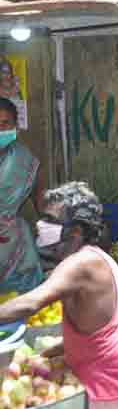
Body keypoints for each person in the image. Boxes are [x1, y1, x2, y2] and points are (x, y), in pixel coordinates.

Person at [0, 182, 118, 409]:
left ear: (74, 232)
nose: (40, 226)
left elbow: (33, 302)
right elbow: (94, 328)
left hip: (116, 381)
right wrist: (52, 353)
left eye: (50, 221)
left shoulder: (81, 264)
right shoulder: (90, 259)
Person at [0, 97, 44, 295]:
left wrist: (53, 227)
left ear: (15, 128)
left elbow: (41, 202)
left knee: (23, 303)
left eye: (5, 124)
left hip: (16, 244)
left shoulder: (25, 160)